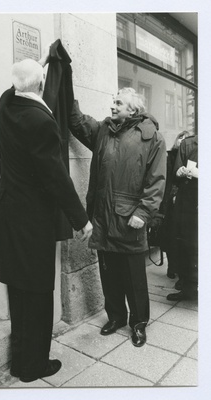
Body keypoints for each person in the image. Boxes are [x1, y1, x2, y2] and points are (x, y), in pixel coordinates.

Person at [0, 56, 92, 383]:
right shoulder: (41, 121)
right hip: (32, 221)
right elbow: (55, 177)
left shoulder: (6, 104)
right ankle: (34, 366)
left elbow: (18, 87)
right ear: (41, 85)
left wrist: (34, 71)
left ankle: (20, 362)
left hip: (10, 214)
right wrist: (80, 219)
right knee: (39, 296)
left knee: (19, 292)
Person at [69, 88, 166, 347]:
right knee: (108, 272)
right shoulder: (104, 130)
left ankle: (139, 323)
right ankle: (117, 317)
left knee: (134, 277)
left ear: (132, 109)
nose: (112, 106)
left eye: (118, 103)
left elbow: (156, 180)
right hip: (103, 216)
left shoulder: (151, 137)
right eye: (113, 101)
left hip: (130, 219)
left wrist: (143, 212)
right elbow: (76, 122)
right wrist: (64, 79)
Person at [152, 131, 190, 280]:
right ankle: (171, 266)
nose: (182, 141)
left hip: (182, 202)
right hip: (167, 201)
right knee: (168, 236)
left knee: (180, 237)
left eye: (186, 139)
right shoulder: (170, 156)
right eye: (180, 137)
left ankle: (179, 268)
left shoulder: (190, 157)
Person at [167, 134, 198, 301]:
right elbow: (175, 173)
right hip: (187, 203)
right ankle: (187, 289)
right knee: (185, 245)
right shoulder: (188, 144)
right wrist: (179, 172)